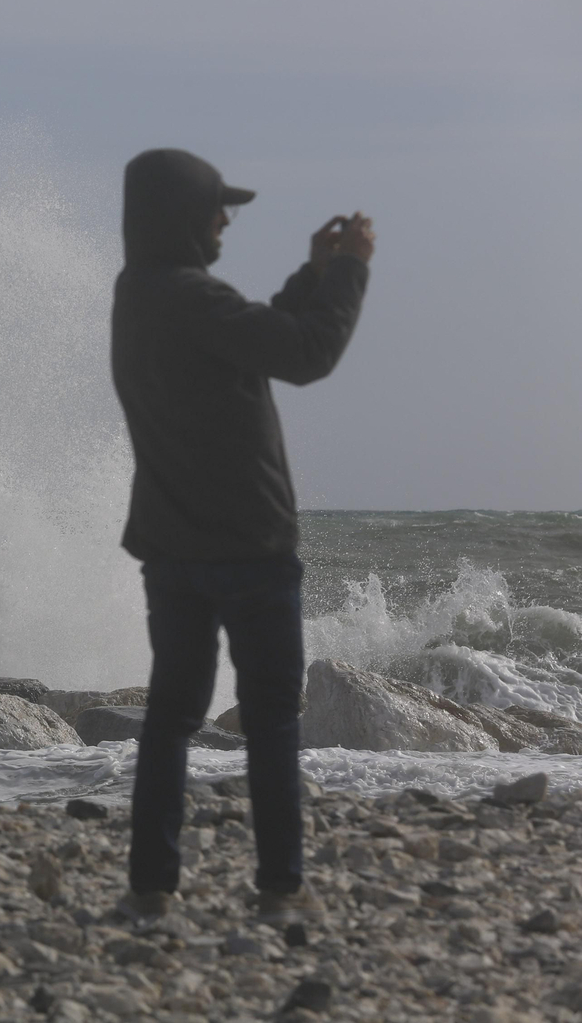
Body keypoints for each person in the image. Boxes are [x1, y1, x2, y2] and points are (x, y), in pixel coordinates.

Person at [109, 148, 374, 926]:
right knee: (271, 720)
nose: (226, 219)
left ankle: (152, 888)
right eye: (217, 207)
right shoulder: (193, 298)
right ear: (185, 217)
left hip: (171, 550)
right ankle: (281, 892)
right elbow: (305, 354)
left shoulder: (145, 294)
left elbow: (257, 333)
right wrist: (351, 272)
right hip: (252, 553)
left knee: (171, 718)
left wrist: (311, 277)